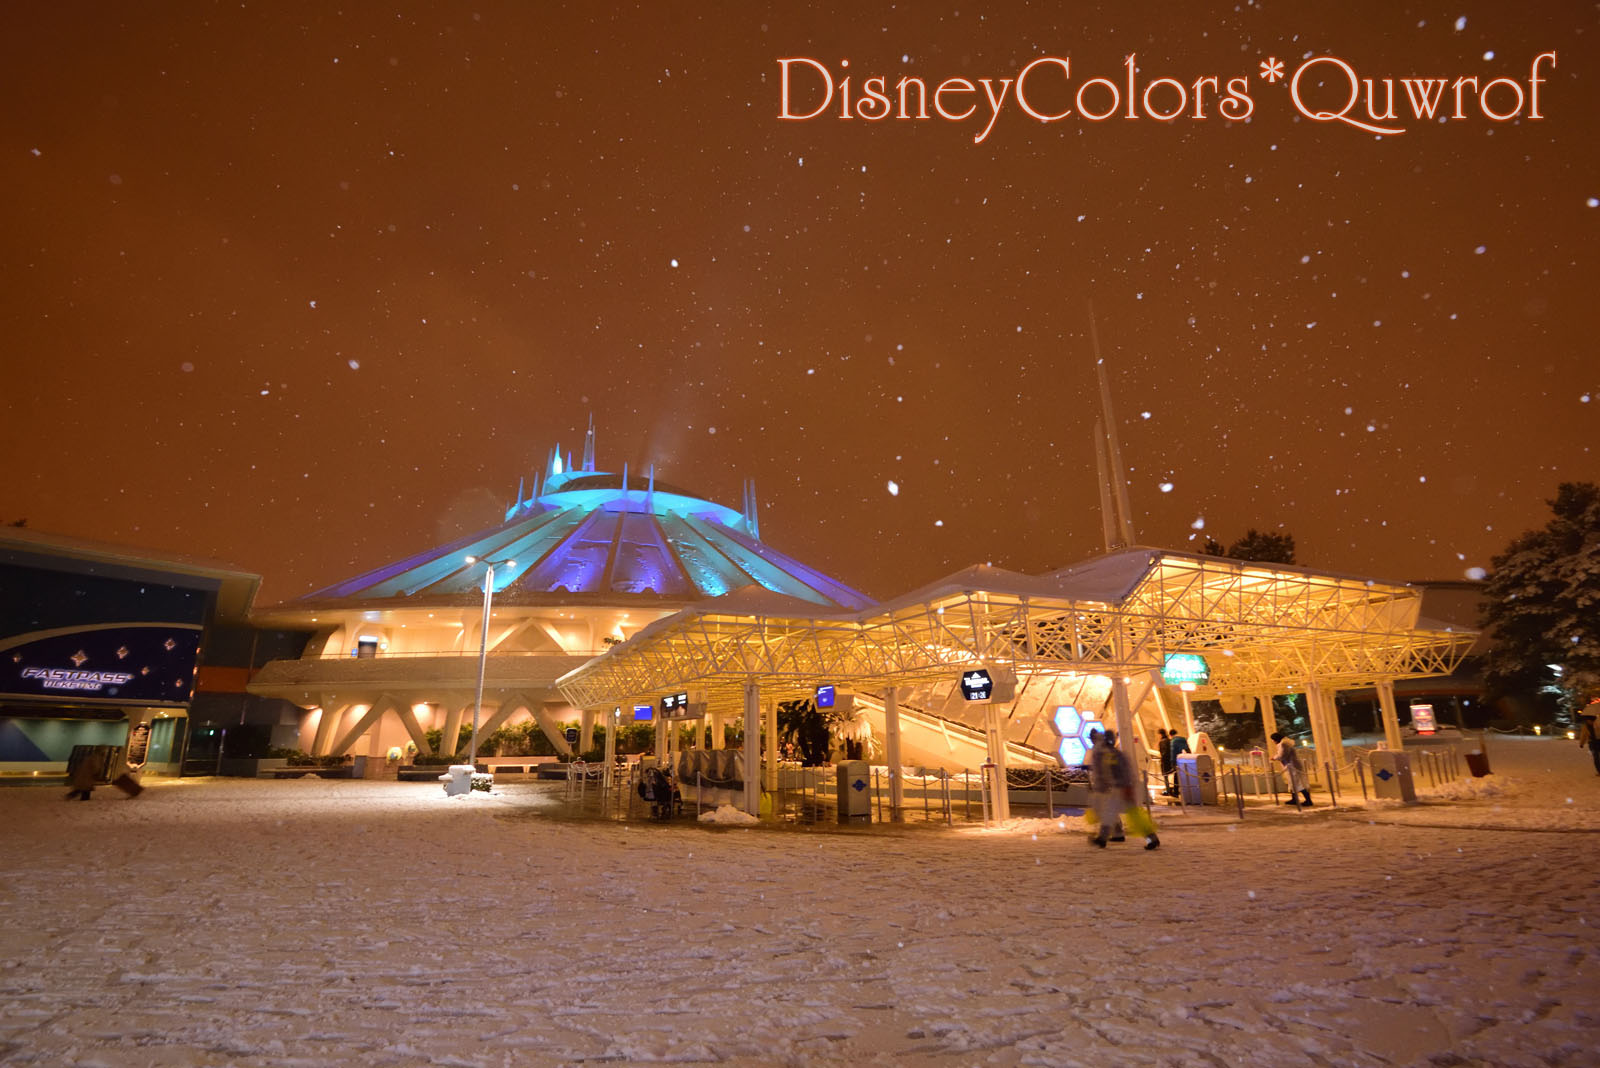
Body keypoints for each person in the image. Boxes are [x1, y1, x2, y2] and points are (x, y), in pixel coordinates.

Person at [1088, 729, 1159, 850]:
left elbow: (1116, 773)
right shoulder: (1116, 754)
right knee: (1115, 814)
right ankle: (1102, 838)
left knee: (1130, 815)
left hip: (1122, 789)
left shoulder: (1110, 755)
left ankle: (1151, 839)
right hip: (1122, 788)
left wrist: (1126, 787)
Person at [1272, 731, 1312, 807]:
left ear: (1276, 739)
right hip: (1292, 766)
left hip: (1292, 766)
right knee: (1293, 783)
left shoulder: (1283, 744)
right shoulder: (1285, 743)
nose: (1273, 741)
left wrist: (1274, 757)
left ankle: (1308, 800)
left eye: (1273, 740)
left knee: (1298, 784)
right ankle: (1294, 799)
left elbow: (1282, 755)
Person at [1165, 730, 1191, 797]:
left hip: (1177, 760)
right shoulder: (1183, 739)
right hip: (1184, 760)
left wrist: (1172, 762)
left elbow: (1173, 752)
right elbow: (1188, 749)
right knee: (1185, 774)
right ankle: (1187, 790)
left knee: (1176, 776)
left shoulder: (1173, 741)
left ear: (1170, 735)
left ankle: (1176, 792)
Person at [1578, 700, 1600, 776]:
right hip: (1592, 743)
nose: (1589, 721)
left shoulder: (1597, 724)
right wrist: (1581, 743)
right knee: (1596, 757)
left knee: (1597, 756)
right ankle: (1599, 771)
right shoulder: (1585, 727)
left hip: (1599, 741)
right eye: (1588, 720)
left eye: (1590, 720)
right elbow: (1583, 735)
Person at [1157, 728, 1174, 796]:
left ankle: (1168, 790)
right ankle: (1172, 789)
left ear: (1160, 734)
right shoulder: (1169, 740)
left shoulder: (1162, 741)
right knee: (1170, 775)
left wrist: (1162, 760)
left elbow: (1163, 752)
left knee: (1165, 776)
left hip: (1165, 761)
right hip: (1170, 760)